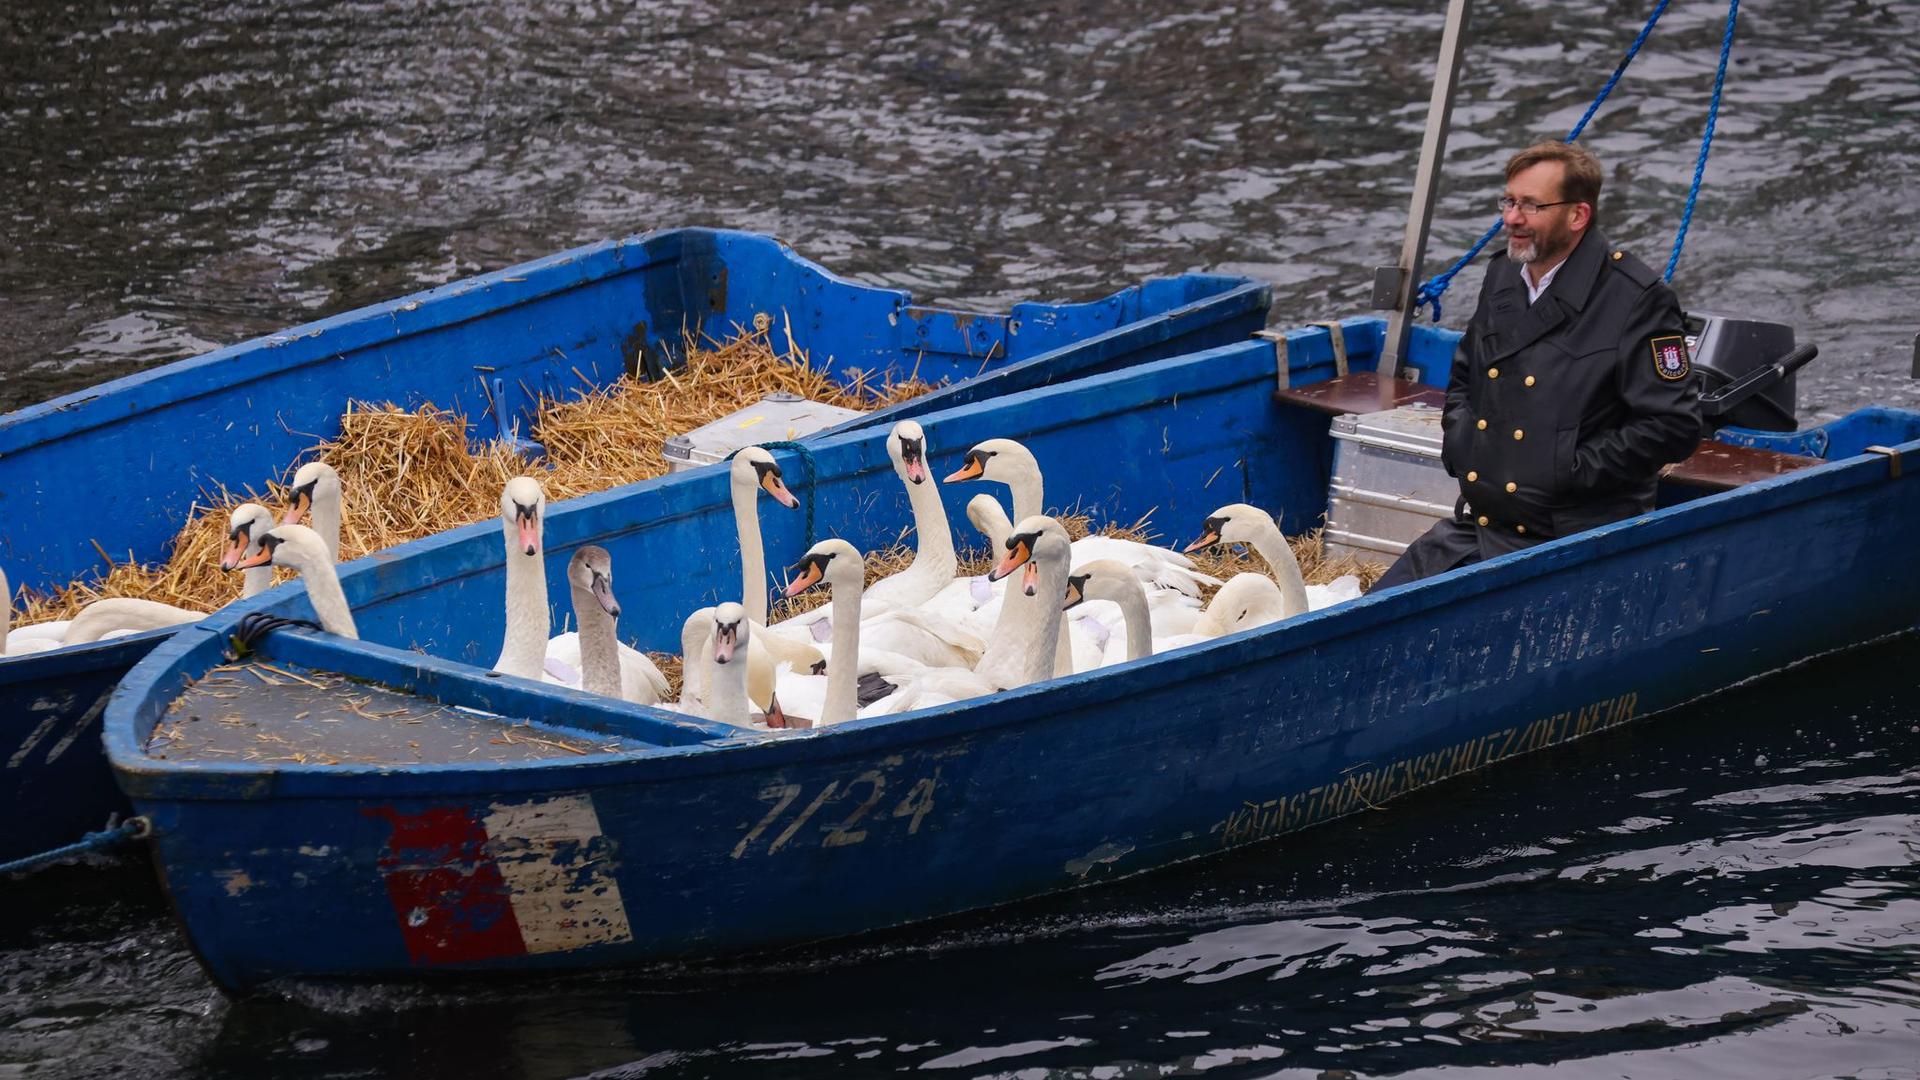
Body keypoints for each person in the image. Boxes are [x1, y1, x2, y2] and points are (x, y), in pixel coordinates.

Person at [1373, 141, 1702, 590]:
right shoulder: (1503, 274)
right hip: (1481, 524)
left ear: (1577, 215)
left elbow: (1673, 425)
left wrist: (1565, 469)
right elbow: (1467, 373)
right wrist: (1464, 441)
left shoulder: (1637, 299)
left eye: (1531, 205)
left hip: (1573, 536)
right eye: (1508, 201)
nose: (1511, 218)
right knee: (1372, 614)